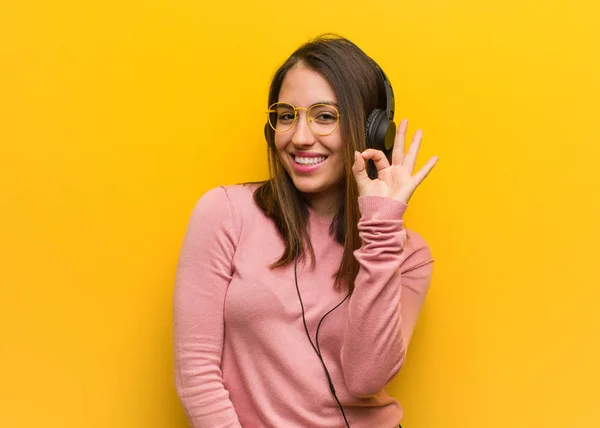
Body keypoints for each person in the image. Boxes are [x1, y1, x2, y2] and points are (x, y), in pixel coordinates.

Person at [173, 34, 438, 428]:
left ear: (369, 131)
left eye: (325, 116)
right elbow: (196, 371)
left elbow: (366, 379)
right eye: (286, 115)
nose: (299, 137)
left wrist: (380, 227)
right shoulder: (224, 213)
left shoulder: (408, 254)